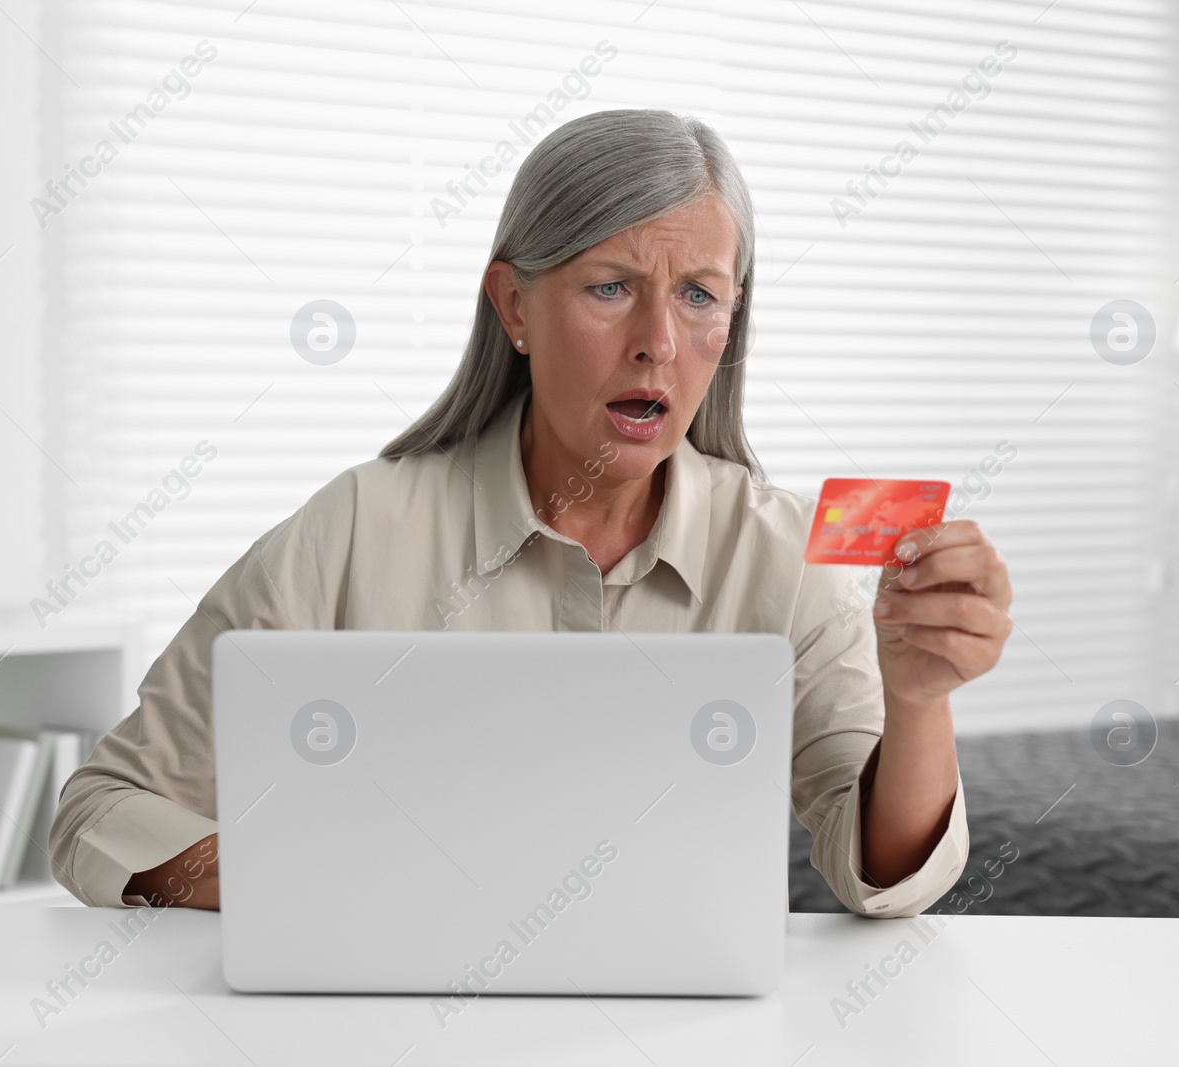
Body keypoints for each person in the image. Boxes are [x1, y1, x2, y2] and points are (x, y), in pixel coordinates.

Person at [49, 108, 1013, 916]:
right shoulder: (353, 530)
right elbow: (103, 809)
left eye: (697, 296)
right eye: (610, 287)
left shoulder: (781, 559)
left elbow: (879, 877)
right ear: (513, 305)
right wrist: (314, 889)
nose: (657, 345)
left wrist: (918, 698)